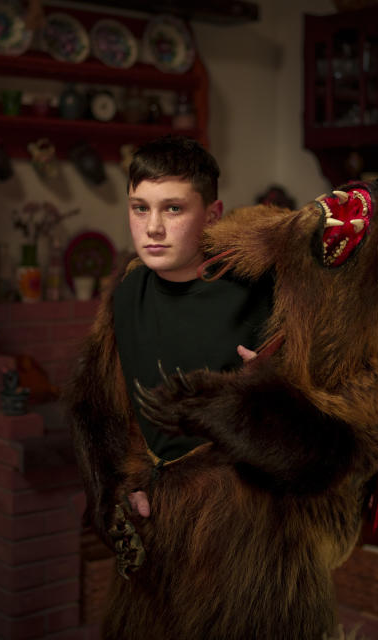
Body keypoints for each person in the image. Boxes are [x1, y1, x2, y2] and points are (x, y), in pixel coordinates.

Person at [111, 135, 273, 517]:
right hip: (162, 517)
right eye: (139, 208)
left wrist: (278, 384)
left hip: (247, 518)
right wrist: (131, 481)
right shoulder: (126, 292)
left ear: (212, 215)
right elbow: (118, 409)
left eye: (172, 209)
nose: (152, 228)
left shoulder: (259, 289)